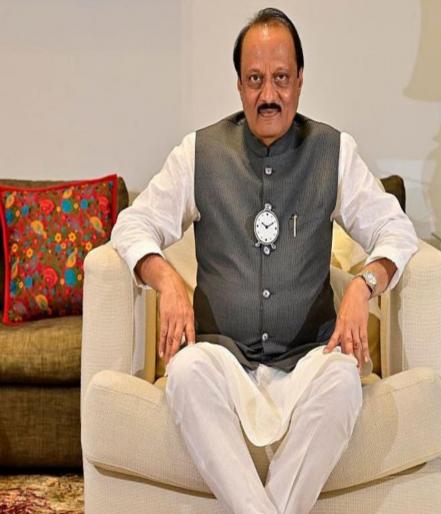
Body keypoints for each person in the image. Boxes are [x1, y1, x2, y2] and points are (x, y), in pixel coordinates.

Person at [111, 7, 418, 514]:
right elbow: (132, 224)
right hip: (223, 358)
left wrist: (363, 285)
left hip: (307, 358)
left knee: (343, 381)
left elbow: (396, 230)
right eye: (255, 79)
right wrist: (166, 280)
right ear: (238, 84)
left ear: (300, 80)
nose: (268, 95)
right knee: (185, 374)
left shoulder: (334, 152)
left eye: (280, 78)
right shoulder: (199, 153)